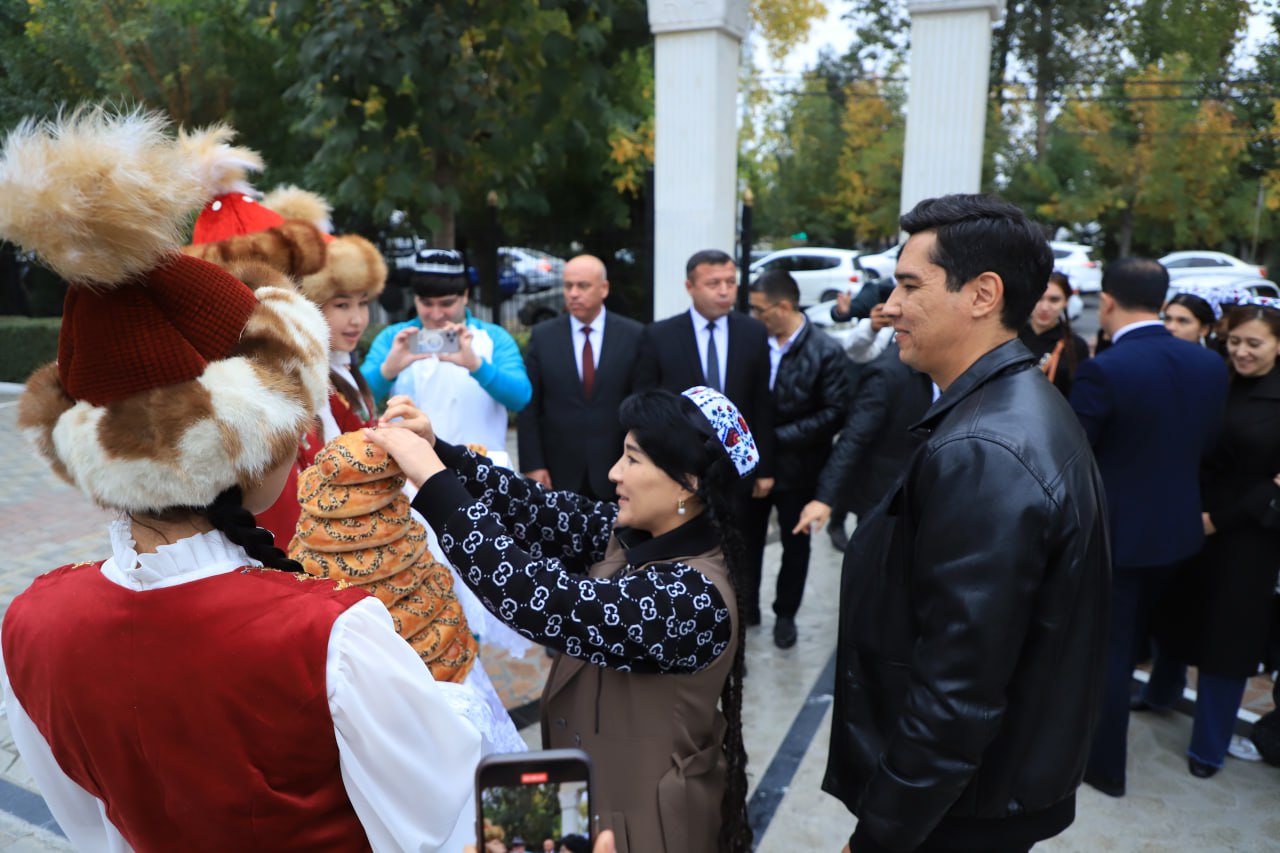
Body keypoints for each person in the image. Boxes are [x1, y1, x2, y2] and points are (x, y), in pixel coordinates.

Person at [0, 107, 481, 850]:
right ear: (244, 445)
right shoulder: (333, 634)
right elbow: (440, 816)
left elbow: (92, 825)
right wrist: (438, 690)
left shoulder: (29, 623)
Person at [823, 193, 1110, 853]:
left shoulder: (987, 448)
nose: (887, 305)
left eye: (908, 284)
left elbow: (957, 690)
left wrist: (880, 836)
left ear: (982, 293)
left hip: (959, 814)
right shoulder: (1005, 408)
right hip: (978, 795)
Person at [368, 385, 756, 853]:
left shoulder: (692, 599)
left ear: (688, 484)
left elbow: (543, 598)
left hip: (648, 828)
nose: (615, 472)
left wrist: (432, 481)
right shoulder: (635, 533)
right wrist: (440, 452)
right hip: (597, 805)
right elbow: (535, 508)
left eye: (633, 459)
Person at [1070, 257, 1229, 798]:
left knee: (1110, 654)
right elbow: (1206, 447)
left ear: (1108, 302)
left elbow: (1073, 455)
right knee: (1144, 640)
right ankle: (1152, 703)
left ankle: (1104, 769)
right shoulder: (1208, 365)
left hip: (1116, 537)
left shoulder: (1106, 369)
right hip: (1180, 532)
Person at [1139, 297, 1280, 777]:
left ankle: (1209, 747)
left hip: (1249, 536)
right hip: (1190, 514)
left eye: (1254, 344)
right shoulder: (1215, 378)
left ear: (1278, 345)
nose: (1242, 352)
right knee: (1174, 614)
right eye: (1235, 341)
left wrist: (1220, 518)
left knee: (1229, 640)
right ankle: (1159, 694)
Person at [633, 248, 775, 624]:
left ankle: (738, 621)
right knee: (687, 544)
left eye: (730, 282)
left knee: (742, 548)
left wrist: (764, 467)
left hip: (738, 473)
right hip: (681, 473)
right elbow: (647, 407)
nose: (724, 291)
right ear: (690, 286)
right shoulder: (659, 336)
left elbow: (762, 402)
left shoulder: (753, 332)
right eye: (714, 284)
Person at [744, 269, 848, 648]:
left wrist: (774, 439)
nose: (754, 318)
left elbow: (834, 413)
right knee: (747, 540)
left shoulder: (825, 351)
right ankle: (747, 607)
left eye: (759, 310)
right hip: (751, 465)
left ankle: (785, 614)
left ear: (783, 306)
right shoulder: (754, 342)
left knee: (795, 543)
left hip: (800, 467)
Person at [362, 249, 532, 452]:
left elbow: (520, 398)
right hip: (410, 473)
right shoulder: (394, 338)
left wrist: (477, 366)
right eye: (426, 303)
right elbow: (356, 402)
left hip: (483, 471)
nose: (436, 314)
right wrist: (387, 371)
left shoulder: (494, 337)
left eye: (446, 303)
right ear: (415, 299)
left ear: (465, 295)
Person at [517, 254, 643, 499]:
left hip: (616, 470)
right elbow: (529, 406)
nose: (573, 293)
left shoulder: (633, 336)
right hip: (556, 471)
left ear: (604, 288)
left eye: (583, 286)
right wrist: (533, 465)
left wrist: (637, 464)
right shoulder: (543, 337)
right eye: (568, 286)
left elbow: (640, 408)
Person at [791, 339, 933, 545]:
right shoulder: (886, 374)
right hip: (885, 494)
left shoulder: (955, 366)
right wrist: (824, 498)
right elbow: (854, 437)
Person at [1018, 270, 1090, 398]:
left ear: (1066, 301)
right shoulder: (1009, 338)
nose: (1045, 307)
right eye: (1039, 298)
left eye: (1054, 300)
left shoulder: (1076, 346)